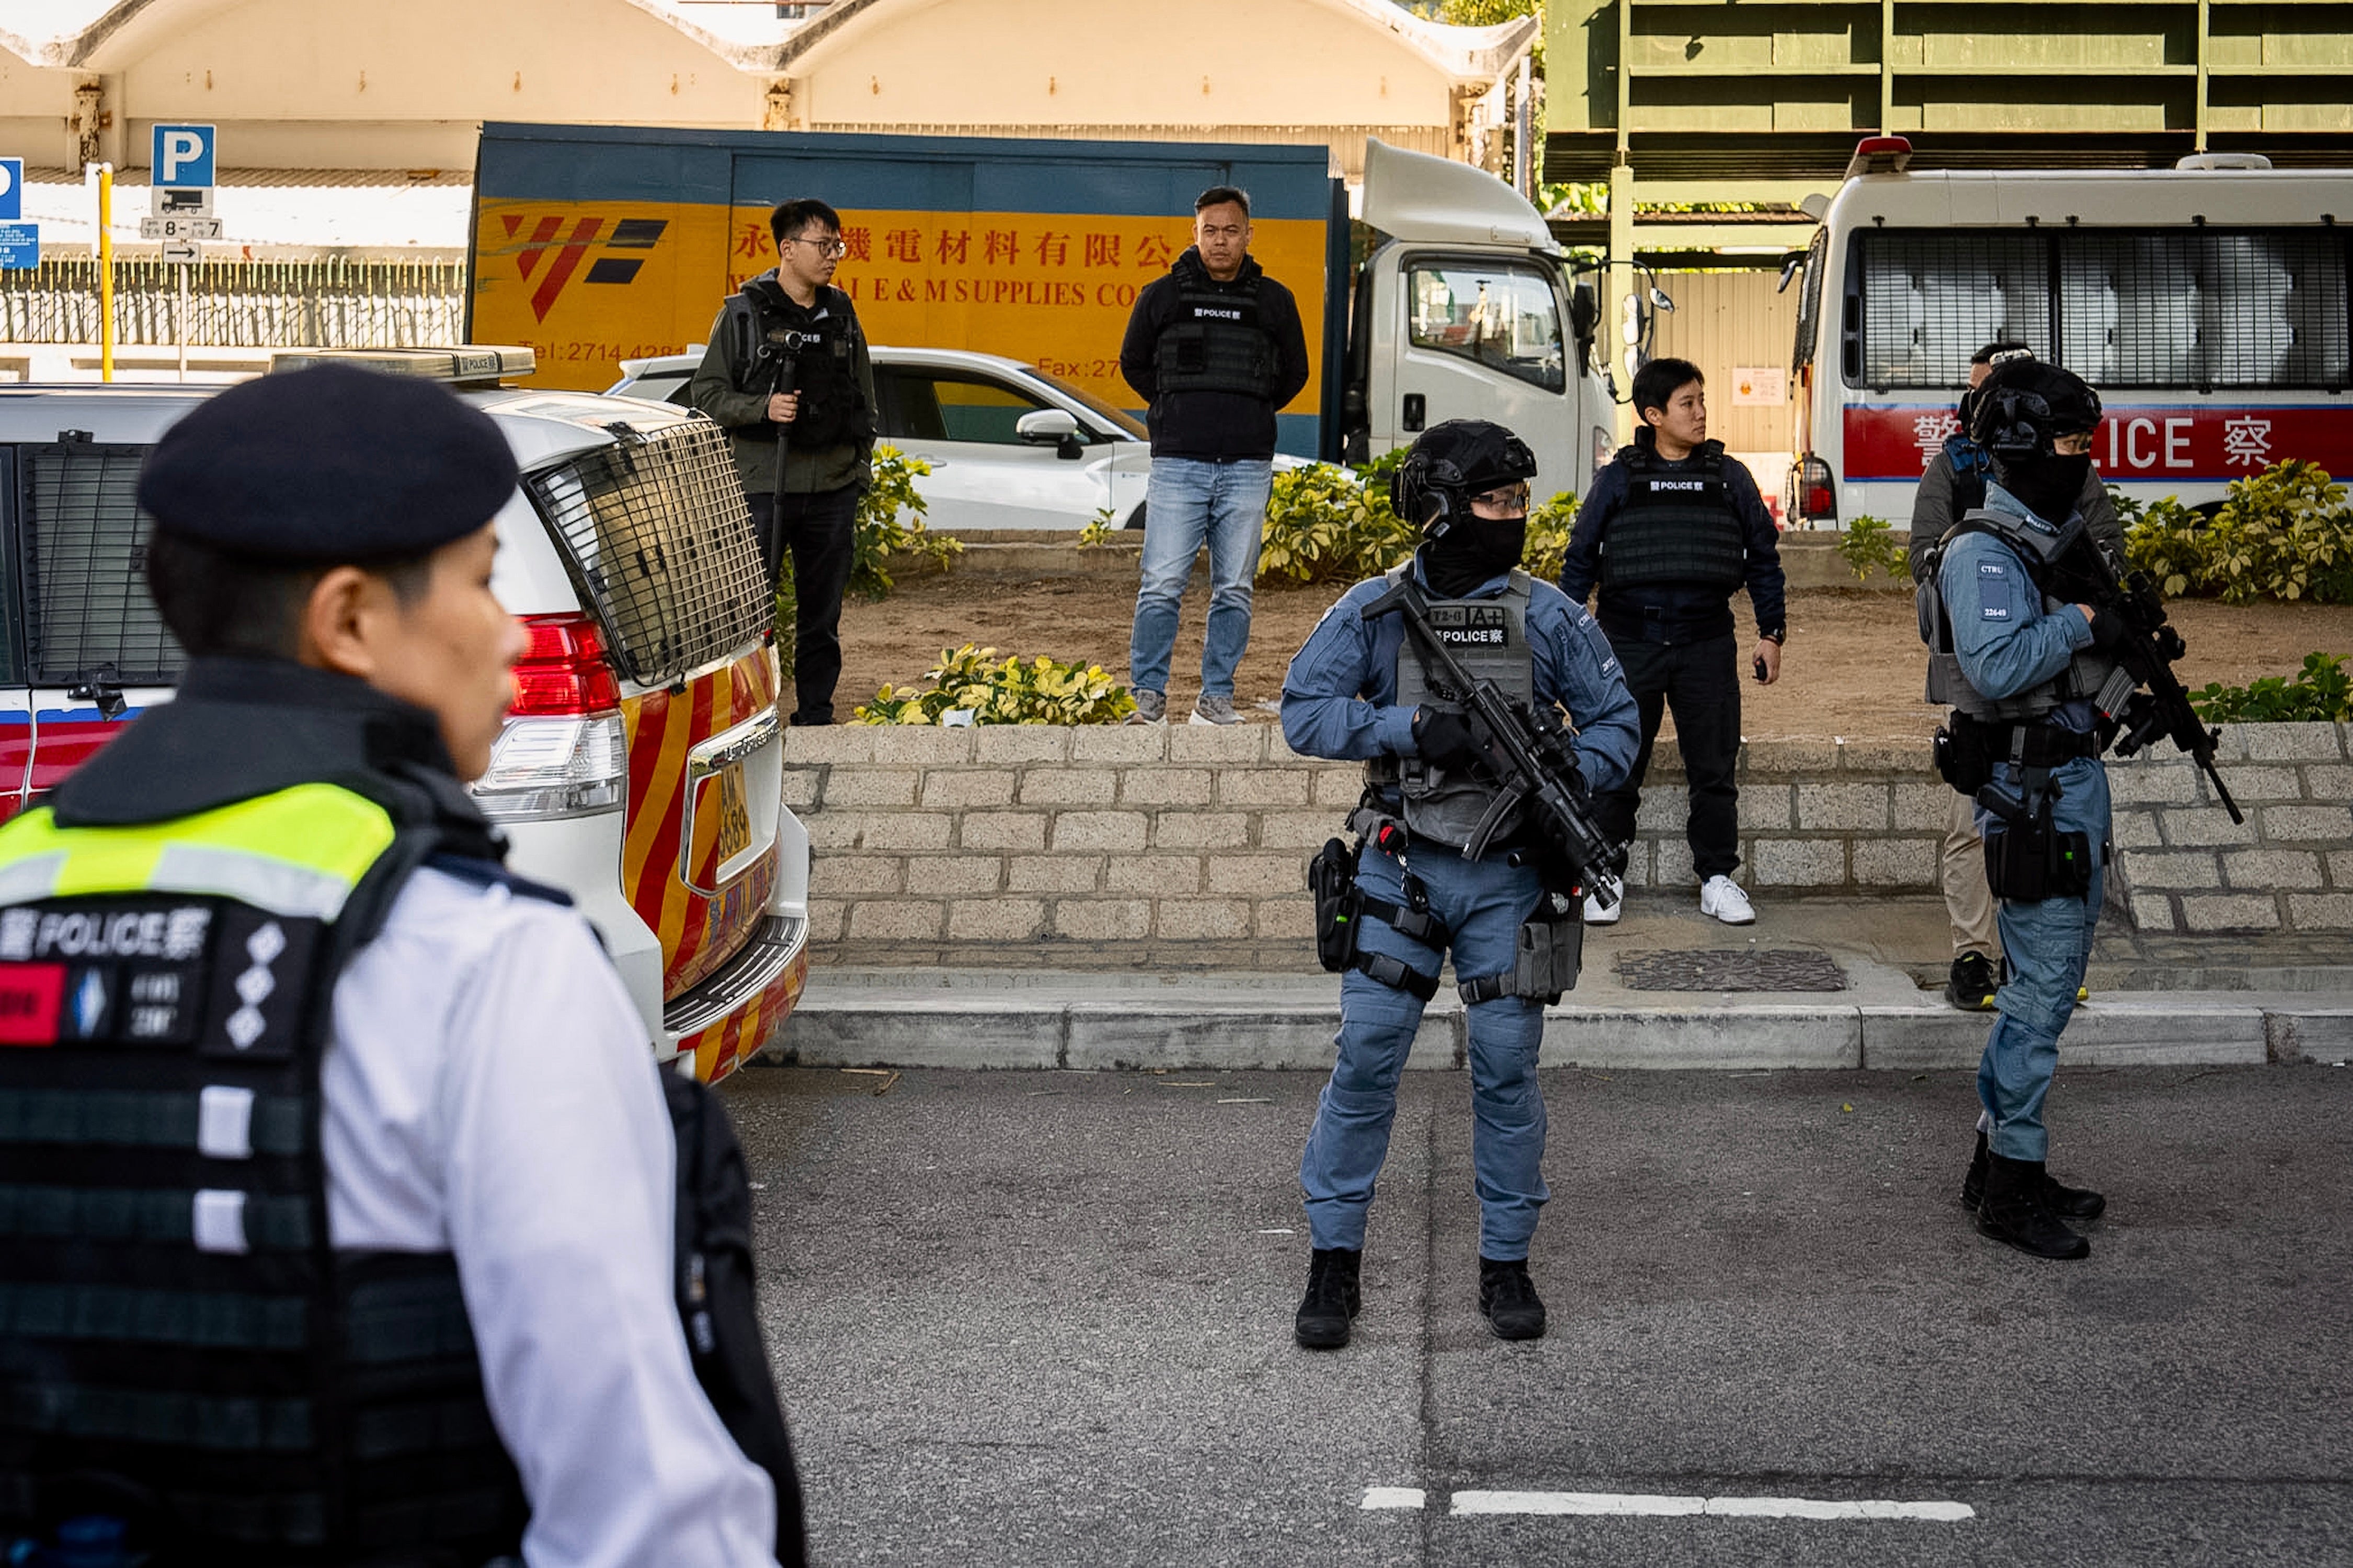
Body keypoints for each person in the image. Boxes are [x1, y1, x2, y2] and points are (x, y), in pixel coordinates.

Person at [0, 366, 793, 1564]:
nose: (513, 631)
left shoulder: (17, 889)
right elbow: (648, 1516)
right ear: (353, 619)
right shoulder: (479, 959)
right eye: (480, 581)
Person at [1281, 419, 1639, 1348]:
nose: (1513, 518)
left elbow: (1618, 726)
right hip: (1402, 867)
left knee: (1508, 1071)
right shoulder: (1375, 610)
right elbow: (1305, 711)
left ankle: (1507, 1262)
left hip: (1510, 878)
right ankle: (1333, 1261)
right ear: (1438, 512)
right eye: (1494, 502)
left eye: (1521, 502)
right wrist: (1410, 729)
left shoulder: (1551, 615)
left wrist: (1564, 777)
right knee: (1364, 1060)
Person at [1920, 359, 2122, 1262]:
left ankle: (2007, 1162)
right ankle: (2007, 1189)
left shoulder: (2052, 533)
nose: (2081, 459)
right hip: (2032, 795)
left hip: (2068, 781)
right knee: (2037, 994)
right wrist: (2086, 621)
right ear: (2018, 445)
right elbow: (1998, 667)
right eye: (2068, 443)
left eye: (2086, 443)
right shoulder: (1986, 547)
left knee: (2049, 988)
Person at [1912, 342, 2123, 1011]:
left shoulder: (2066, 469)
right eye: (1985, 387)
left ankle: (2037, 965)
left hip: (2060, 689)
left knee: (2058, 847)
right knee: (1973, 825)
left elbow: (2105, 546)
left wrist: (2078, 602)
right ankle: (1976, 956)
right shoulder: (1954, 469)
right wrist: (1986, 585)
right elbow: (1925, 553)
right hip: (1988, 694)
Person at [1559, 358, 1787, 926]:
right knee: (1616, 763)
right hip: (1628, 640)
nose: (1701, 412)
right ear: (1654, 414)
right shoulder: (1618, 477)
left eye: (1702, 400)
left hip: (1705, 639)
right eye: (1688, 403)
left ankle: (1717, 878)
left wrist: (1771, 632)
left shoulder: (1729, 476)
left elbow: (1762, 557)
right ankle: (1604, 872)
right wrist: (1565, 642)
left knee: (1714, 767)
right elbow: (1580, 561)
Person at [1119, 185, 1312, 726]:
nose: (1221, 240)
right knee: (1161, 584)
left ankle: (1216, 697)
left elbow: (1294, 373)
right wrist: (1179, 411)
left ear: (1249, 235)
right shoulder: (1163, 296)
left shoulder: (1275, 301)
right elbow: (1134, 363)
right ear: (1195, 233)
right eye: (1211, 230)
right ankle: (1148, 696)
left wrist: (1247, 411)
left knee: (1234, 587)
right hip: (1179, 463)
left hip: (1247, 465)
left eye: (1231, 230)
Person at [691, 196, 877, 727]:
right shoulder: (743, 314)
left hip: (833, 489)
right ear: (788, 249)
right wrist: (762, 408)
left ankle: (816, 713)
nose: (834, 255)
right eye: (824, 244)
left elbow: (863, 396)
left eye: (837, 245)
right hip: (763, 486)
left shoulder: (842, 313)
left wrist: (858, 474)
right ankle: (750, 713)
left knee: (823, 615)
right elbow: (705, 395)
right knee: (752, 611)